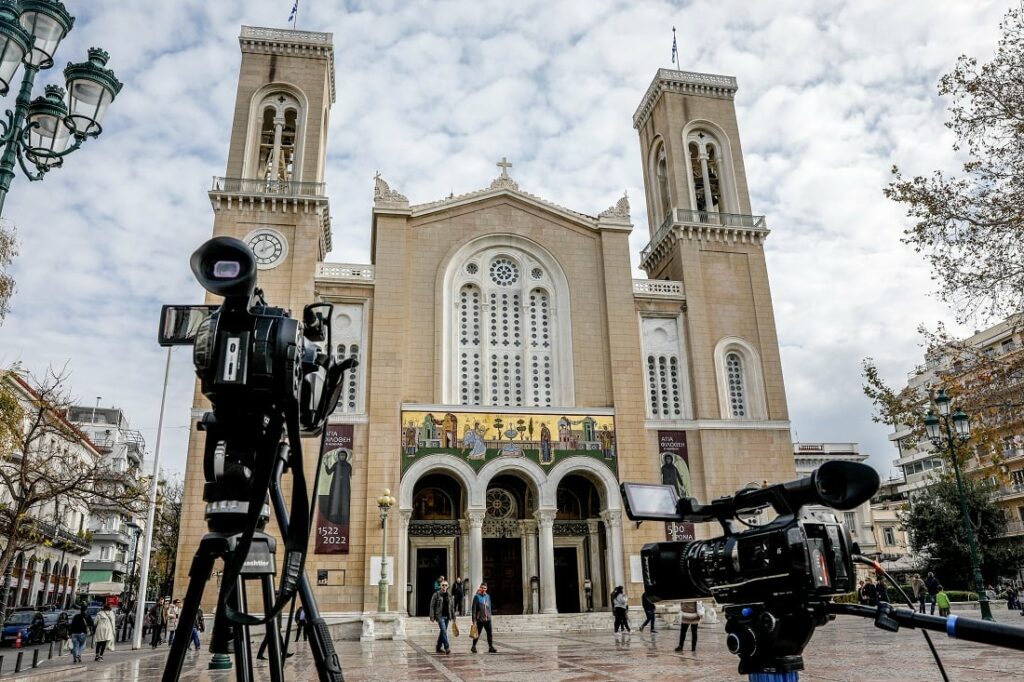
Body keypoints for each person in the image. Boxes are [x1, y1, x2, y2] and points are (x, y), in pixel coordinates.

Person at [429, 578, 456, 655]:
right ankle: (447, 647)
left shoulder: (450, 595)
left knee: (442, 631)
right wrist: (432, 616)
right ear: (440, 586)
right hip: (439, 616)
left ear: (448, 586)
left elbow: (452, 607)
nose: (444, 587)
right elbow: (432, 605)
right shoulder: (436, 594)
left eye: (445, 585)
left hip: (447, 616)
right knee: (444, 630)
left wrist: (454, 617)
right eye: (443, 585)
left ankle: (438, 646)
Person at [471, 582, 496, 654]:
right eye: (482, 588)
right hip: (480, 619)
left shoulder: (488, 596)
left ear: (486, 589)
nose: (483, 589)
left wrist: (490, 616)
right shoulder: (476, 597)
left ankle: (491, 647)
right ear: (480, 588)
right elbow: (474, 609)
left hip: (487, 619)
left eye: (485, 588)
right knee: (477, 634)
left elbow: (489, 607)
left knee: (489, 634)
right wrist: (474, 620)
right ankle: (473, 646)